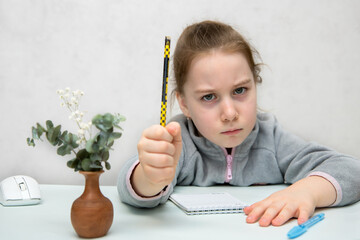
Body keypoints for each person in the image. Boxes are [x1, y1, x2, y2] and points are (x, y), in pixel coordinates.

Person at [117, 20, 360, 227]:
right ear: (184, 104)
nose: (230, 113)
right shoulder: (180, 141)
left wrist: (307, 191)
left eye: (240, 90)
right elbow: (128, 189)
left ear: (256, 83)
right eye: (209, 97)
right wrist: (150, 178)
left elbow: (351, 171)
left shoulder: (272, 140)